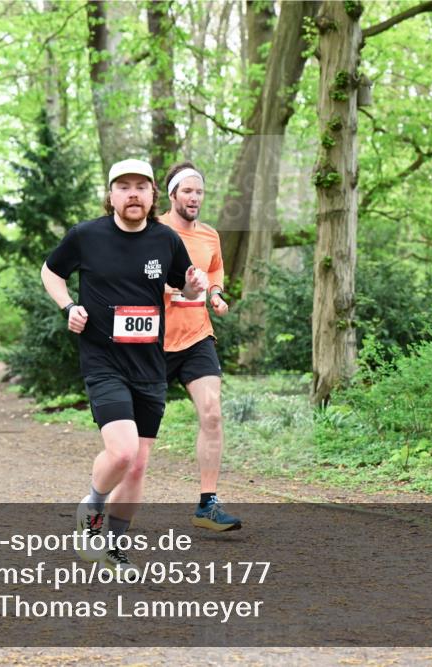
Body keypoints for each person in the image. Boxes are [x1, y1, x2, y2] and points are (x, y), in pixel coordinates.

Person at [41, 158, 207, 576]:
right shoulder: (86, 236)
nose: (133, 193)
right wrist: (70, 306)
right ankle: (92, 505)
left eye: (141, 186)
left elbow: (180, 283)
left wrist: (193, 284)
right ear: (111, 195)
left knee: (138, 464)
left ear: (153, 195)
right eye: (124, 186)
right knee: (122, 450)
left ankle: (114, 547)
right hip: (103, 360)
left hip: (150, 363)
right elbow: (51, 271)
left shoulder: (166, 239)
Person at [159, 161, 241, 531]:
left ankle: (207, 504)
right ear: (173, 194)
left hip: (196, 337)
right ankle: (110, 502)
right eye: (187, 191)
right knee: (139, 431)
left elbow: (215, 270)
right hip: (152, 339)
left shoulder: (209, 236)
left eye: (199, 192)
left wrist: (216, 295)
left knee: (212, 412)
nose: (194, 198)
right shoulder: (152, 232)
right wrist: (172, 290)